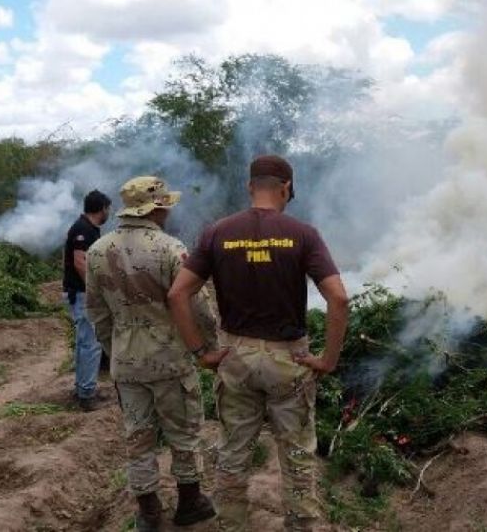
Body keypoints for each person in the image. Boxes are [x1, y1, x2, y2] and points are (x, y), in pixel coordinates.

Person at [168, 155, 350, 532]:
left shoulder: (216, 232)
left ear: (251, 186)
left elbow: (177, 294)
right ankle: (301, 526)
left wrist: (202, 352)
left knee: (233, 455)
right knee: (298, 456)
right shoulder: (303, 234)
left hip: (235, 357)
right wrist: (328, 359)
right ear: (285, 189)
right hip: (290, 359)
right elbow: (339, 299)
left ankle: (231, 526)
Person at [85, 176, 223, 531]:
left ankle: (148, 512)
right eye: (166, 205)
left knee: (138, 435)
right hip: (170, 359)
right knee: (184, 432)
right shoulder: (170, 249)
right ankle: (190, 504)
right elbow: (197, 306)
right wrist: (209, 348)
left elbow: (97, 312)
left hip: (126, 363)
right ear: (156, 208)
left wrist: (114, 351)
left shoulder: (98, 251)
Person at [63, 189, 110, 411]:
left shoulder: (88, 228)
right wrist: (95, 290)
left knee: (85, 343)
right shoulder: (83, 229)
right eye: (108, 208)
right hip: (82, 294)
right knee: (91, 343)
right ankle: (87, 395)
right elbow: (80, 262)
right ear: (102, 208)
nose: (109, 212)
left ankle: (83, 388)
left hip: (80, 293)